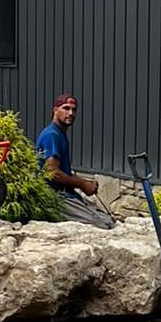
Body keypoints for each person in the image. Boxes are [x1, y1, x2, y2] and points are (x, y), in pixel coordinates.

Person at [35, 93, 114, 228]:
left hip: (65, 193)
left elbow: (63, 171)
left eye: (74, 109)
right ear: (55, 110)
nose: (71, 113)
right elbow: (52, 173)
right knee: (102, 225)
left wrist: (87, 183)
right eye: (66, 108)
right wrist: (82, 184)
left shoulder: (60, 134)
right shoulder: (51, 135)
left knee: (107, 219)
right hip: (55, 196)